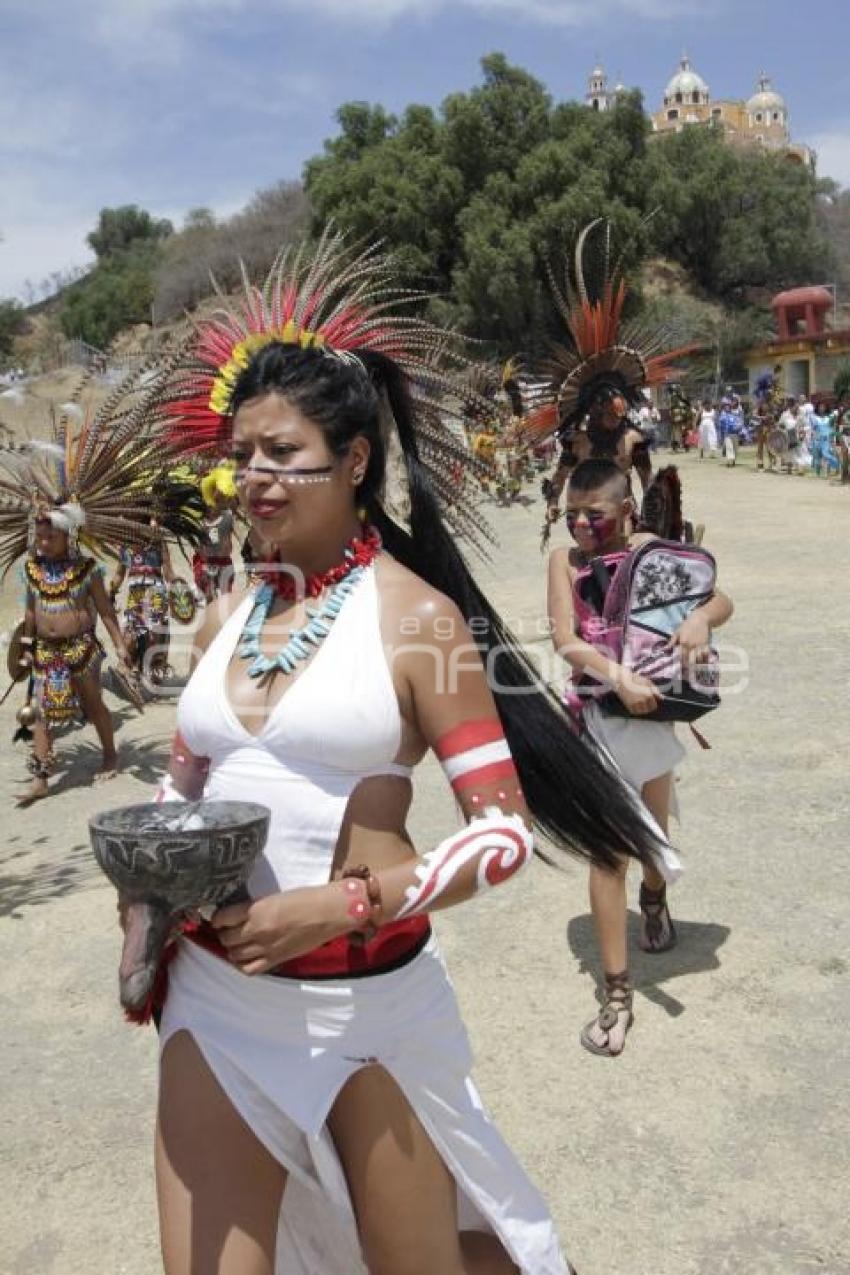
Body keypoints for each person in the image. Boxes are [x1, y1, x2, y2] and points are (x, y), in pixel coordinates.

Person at [143, 230, 665, 1274]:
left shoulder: (415, 618)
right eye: (243, 455)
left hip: (363, 1006)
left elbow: (502, 836)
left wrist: (339, 907)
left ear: (354, 461)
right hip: (211, 996)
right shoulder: (223, 612)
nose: (254, 478)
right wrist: (142, 894)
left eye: (282, 455)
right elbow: (184, 776)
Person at [547, 459, 734, 1056]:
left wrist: (700, 619)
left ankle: (654, 897)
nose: (580, 525)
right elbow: (565, 639)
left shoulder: (656, 551)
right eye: (572, 514)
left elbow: (720, 598)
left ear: (626, 511)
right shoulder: (564, 561)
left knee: (652, 838)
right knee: (609, 855)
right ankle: (618, 995)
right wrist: (617, 675)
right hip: (597, 715)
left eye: (594, 515)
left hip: (651, 717)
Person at [517, 221, 695, 546]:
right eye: (609, 410)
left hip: (624, 521)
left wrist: (660, 518)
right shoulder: (578, 442)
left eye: (618, 411)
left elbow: (647, 481)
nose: (615, 416)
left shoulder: (633, 441)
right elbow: (559, 476)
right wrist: (554, 502)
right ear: (595, 408)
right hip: (588, 525)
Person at [15, 511, 133, 804]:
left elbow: (105, 610)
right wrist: (27, 646)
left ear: (69, 536)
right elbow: (31, 611)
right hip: (46, 650)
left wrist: (120, 644)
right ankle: (40, 778)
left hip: (81, 648)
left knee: (92, 704)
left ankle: (109, 755)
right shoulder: (33, 571)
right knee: (43, 711)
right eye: (40, 537)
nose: (43, 542)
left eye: (51, 537)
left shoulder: (87, 570)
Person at [110, 524, 175, 687]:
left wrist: (179, 590)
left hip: (156, 595)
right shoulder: (125, 545)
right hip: (135, 597)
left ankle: (154, 666)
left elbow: (168, 572)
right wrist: (109, 591)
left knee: (154, 636)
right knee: (129, 637)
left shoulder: (157, 541)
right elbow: (119, 574)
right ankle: (127, 667)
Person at [194, 464, 238, 602]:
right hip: (206, 562)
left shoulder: (228, 514)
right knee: (209, 597)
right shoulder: (198, 518)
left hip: (224, 561)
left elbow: (231, 496)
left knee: (226, 598)